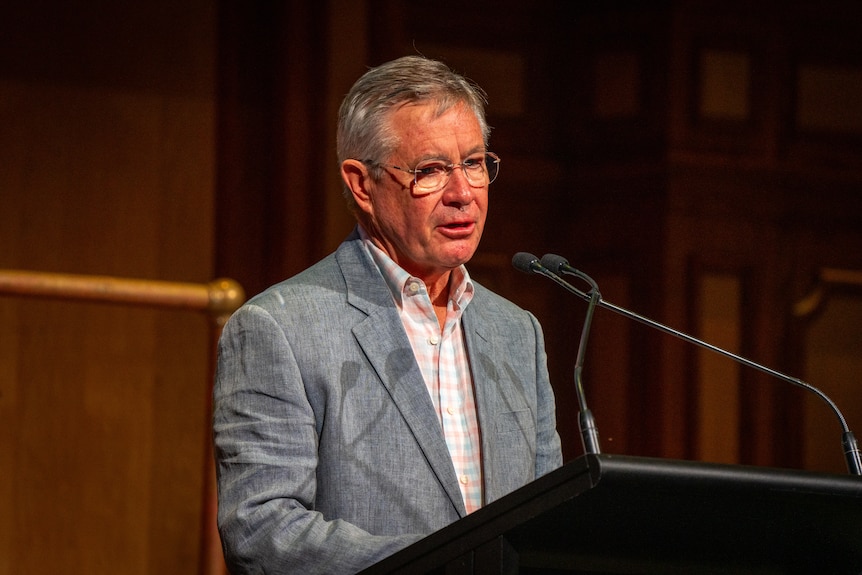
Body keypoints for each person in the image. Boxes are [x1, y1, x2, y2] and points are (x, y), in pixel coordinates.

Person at [213, 55, 563, 575]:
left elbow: (549, 522)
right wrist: (446, 567)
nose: (463, 194)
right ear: (362, 184)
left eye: (473, 163)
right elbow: (262, 532)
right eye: (430, 171)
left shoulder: (516, 332)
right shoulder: (279, 329)